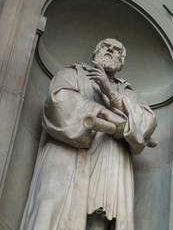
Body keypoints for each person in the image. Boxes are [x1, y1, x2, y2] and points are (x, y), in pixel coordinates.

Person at [20, 38, 157, 230]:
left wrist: (110, 93)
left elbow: (147, 123)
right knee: (49, 207)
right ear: (95, 52)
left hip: (108, 161)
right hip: (66, 155)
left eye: (117, 49)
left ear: (122, 61)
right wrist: (103, 112)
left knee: (98, 219)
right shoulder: (71, 74)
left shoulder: (127, 93)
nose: (110, 49)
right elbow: (57, 102)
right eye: (105, 46)